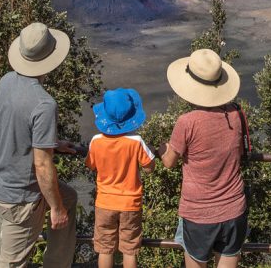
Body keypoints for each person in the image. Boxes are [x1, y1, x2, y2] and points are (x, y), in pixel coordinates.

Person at [0, 22, 78, 268]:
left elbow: (13, 126)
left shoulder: (6, 81)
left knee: (69, 197)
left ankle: (57, 263)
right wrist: (56, 208)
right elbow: (41, 164)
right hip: (22, 194)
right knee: (12, 261)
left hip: (2, 179)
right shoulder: (44, 103)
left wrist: (51, 143)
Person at [156, 48, 247, 268]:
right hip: (234, 209)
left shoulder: (187, 122)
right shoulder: (236, 115)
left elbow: (169, 162)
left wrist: (162, 148)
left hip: (199, 214)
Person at [86, 87, 155, 268]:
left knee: (105, 248)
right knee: (129, 249)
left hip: (105, 203)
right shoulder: (136, 142)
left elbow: (90, 165)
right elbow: (149, 168)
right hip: (130, 204)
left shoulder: (95, 141)